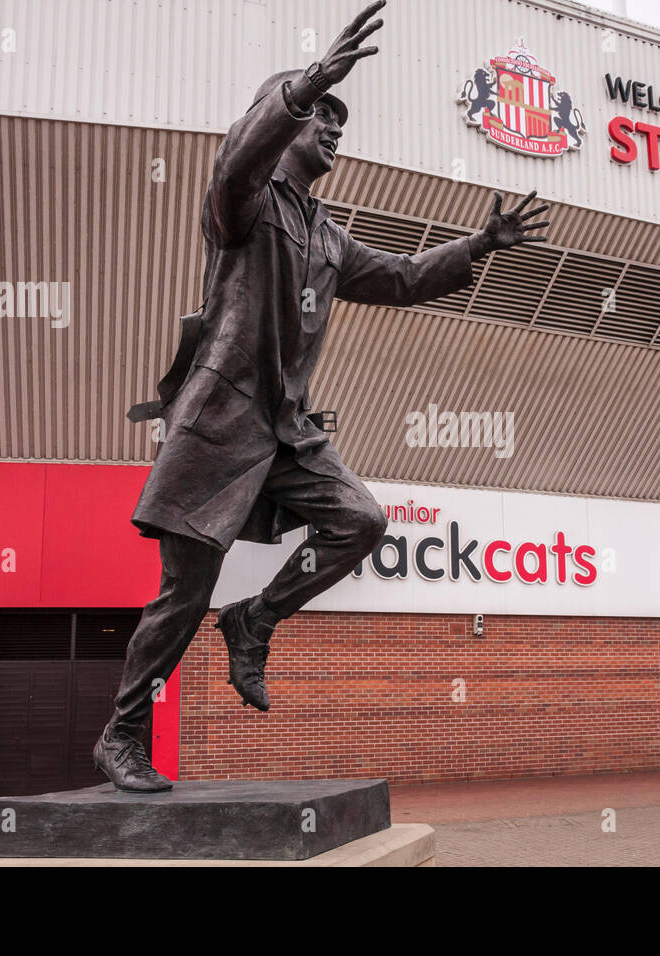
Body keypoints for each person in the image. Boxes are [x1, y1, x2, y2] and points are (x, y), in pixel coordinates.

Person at [92, 0, 554, 792]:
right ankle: (122, 734)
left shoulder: (327, 236)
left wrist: (476, 246)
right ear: (287, 125)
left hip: (284, 433)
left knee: (362, 520)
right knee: (183, 592)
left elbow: (403, 279)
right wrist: (303, 87)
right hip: (218, 424)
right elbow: (234, 163)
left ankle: (257, 618)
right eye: (322, 120)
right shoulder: (244, 206)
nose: (335, 129)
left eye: (340, 121)